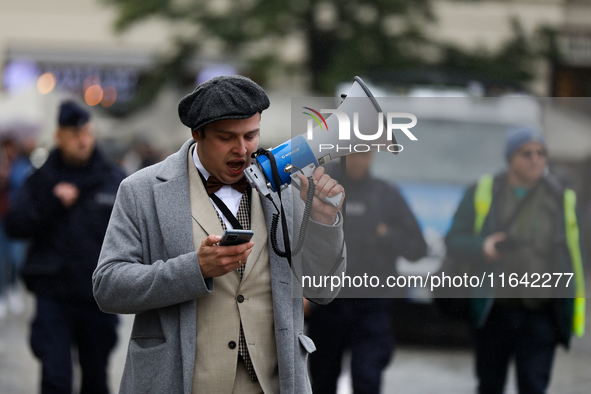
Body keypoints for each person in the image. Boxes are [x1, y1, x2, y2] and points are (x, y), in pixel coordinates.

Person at [92, 75, 347, 394]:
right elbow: (108, 286)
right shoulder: (140, 190)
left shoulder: (289, 186)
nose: (242, 149)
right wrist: (194, 269)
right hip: (180, 382)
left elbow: (324, 291)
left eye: (251, 135)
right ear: (196, 134)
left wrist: (324, 224)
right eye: (227, 138)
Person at [445, 126, 585, 394]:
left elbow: (576, 255)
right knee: (490, 385)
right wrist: (481, 247)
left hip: (541, 315)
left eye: (541, 153)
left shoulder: (561, 199)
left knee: (534, 385)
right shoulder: (483, 191)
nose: (535, 159)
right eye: (526, 153)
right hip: (494, 311)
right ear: (510, 158)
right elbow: (453, 240)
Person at [5, 101, 125, 394]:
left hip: (98, 295)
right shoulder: (41, 179)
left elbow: (134, 232)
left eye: (86, 132)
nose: (82, 140)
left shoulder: (113, 178)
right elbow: (15, 225)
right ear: (59, 137)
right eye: (74, 134)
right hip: (53, 294)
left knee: (96, 379)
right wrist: (52, 203)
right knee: (55, 379)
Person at [306, 151, 427, 394]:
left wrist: (386, 234)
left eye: (366, 155)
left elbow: (418, 248)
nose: (360, 161)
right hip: (327, 304)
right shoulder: (317, 189)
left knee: (367, 378)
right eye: (354, 155)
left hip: (372, 306)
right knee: (321, 381)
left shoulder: (386, 195)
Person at [0, 135, 33, 317]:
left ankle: (13, 287)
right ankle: (2, 293)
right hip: (1, 217)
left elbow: (25, 186)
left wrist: (9, 176)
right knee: (1, 258)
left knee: (15, 258)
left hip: (16, 219)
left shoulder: (21, 166)